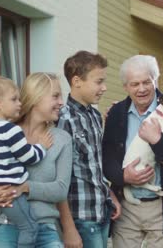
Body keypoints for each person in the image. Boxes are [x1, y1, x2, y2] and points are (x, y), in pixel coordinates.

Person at [0, 72, 73, 248]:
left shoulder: (62, 139)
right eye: (55, 96)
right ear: (36, 98)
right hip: (0, 228)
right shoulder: (0, 132)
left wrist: (24, 187)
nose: (61, 102)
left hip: (45, 230)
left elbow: (60, 190)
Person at [102, 55, 163, 248]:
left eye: (146, 82)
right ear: (126, 87)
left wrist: (156, 141)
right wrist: (123, 176)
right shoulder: (116, 114)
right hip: (126, 208)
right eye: (134, 84)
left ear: (155, 80)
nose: (141, 89)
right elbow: (106, 158)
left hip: (162, 206)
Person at [56, 50, 121, 248]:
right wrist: (68, 228)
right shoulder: (63, 120)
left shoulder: (94, 115)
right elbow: (60, 180)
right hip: (80, 218)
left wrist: (111, 196)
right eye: (98, 81)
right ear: (77, 81)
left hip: (100, 213)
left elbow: (93, 166)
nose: (104, 87)